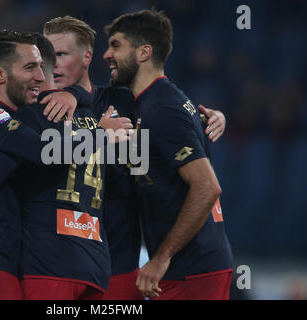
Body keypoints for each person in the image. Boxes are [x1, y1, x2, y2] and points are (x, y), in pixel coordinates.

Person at [42, 15, 227, 300]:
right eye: (46, 56)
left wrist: (213, 117)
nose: (52, 64)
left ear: (86, 57)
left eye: (62, 54)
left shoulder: (129, 103)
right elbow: (38, 153)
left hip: (125, 268)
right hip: (58, 267)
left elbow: (174, 111)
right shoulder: (39, 110)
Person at [0, 32, 127, 300]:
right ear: (0, 75)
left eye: (41, 66)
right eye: (30, 67)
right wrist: (101, 134)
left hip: (3, 263)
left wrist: (75, 96)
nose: (40, 76)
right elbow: (26, 158)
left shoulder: (19, 118)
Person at [103, 9, 233, 300]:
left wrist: (161, 258)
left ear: (144, 52)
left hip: (192, 270)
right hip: (188, 269)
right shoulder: (156, 102)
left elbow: (207, 186)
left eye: (116, 45)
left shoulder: (163, 108)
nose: (106, 55)